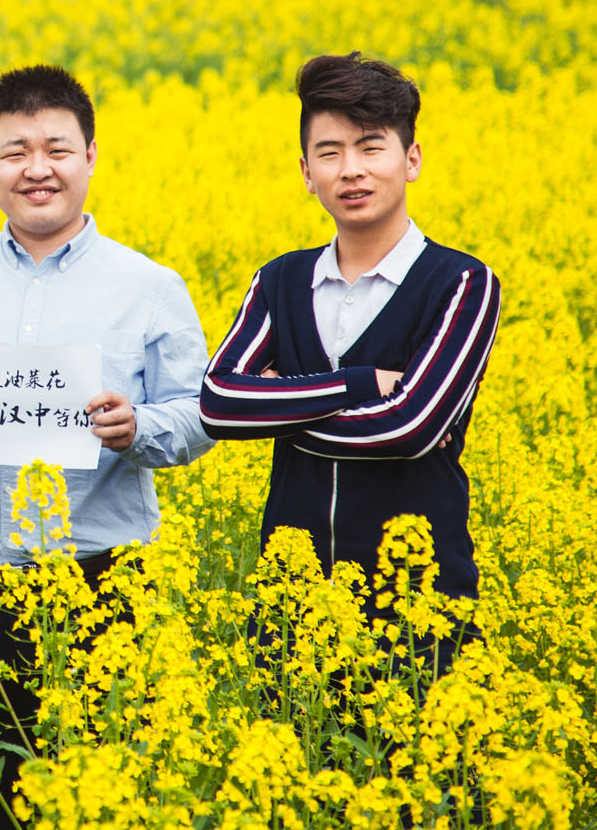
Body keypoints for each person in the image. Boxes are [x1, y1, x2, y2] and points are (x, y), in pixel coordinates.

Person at [0, 65, 213, 823]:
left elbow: (198, 412)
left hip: (103, 578)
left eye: (57, 148)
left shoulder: (149, 284)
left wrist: (140, 427)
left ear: (91, 156)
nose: (38, 168)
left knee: (103, 791)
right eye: (16, 151)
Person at [198, 52, 501, 672]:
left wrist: (278, 407)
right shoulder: (280, 281)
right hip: (291, 608)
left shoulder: (462, 283)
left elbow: (409, 428)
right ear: (306, 171)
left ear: (411, 160)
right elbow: (219, 403)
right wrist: (358, 384)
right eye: (330, 153)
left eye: (372, 148)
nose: (352, 170)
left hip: (419, 606)